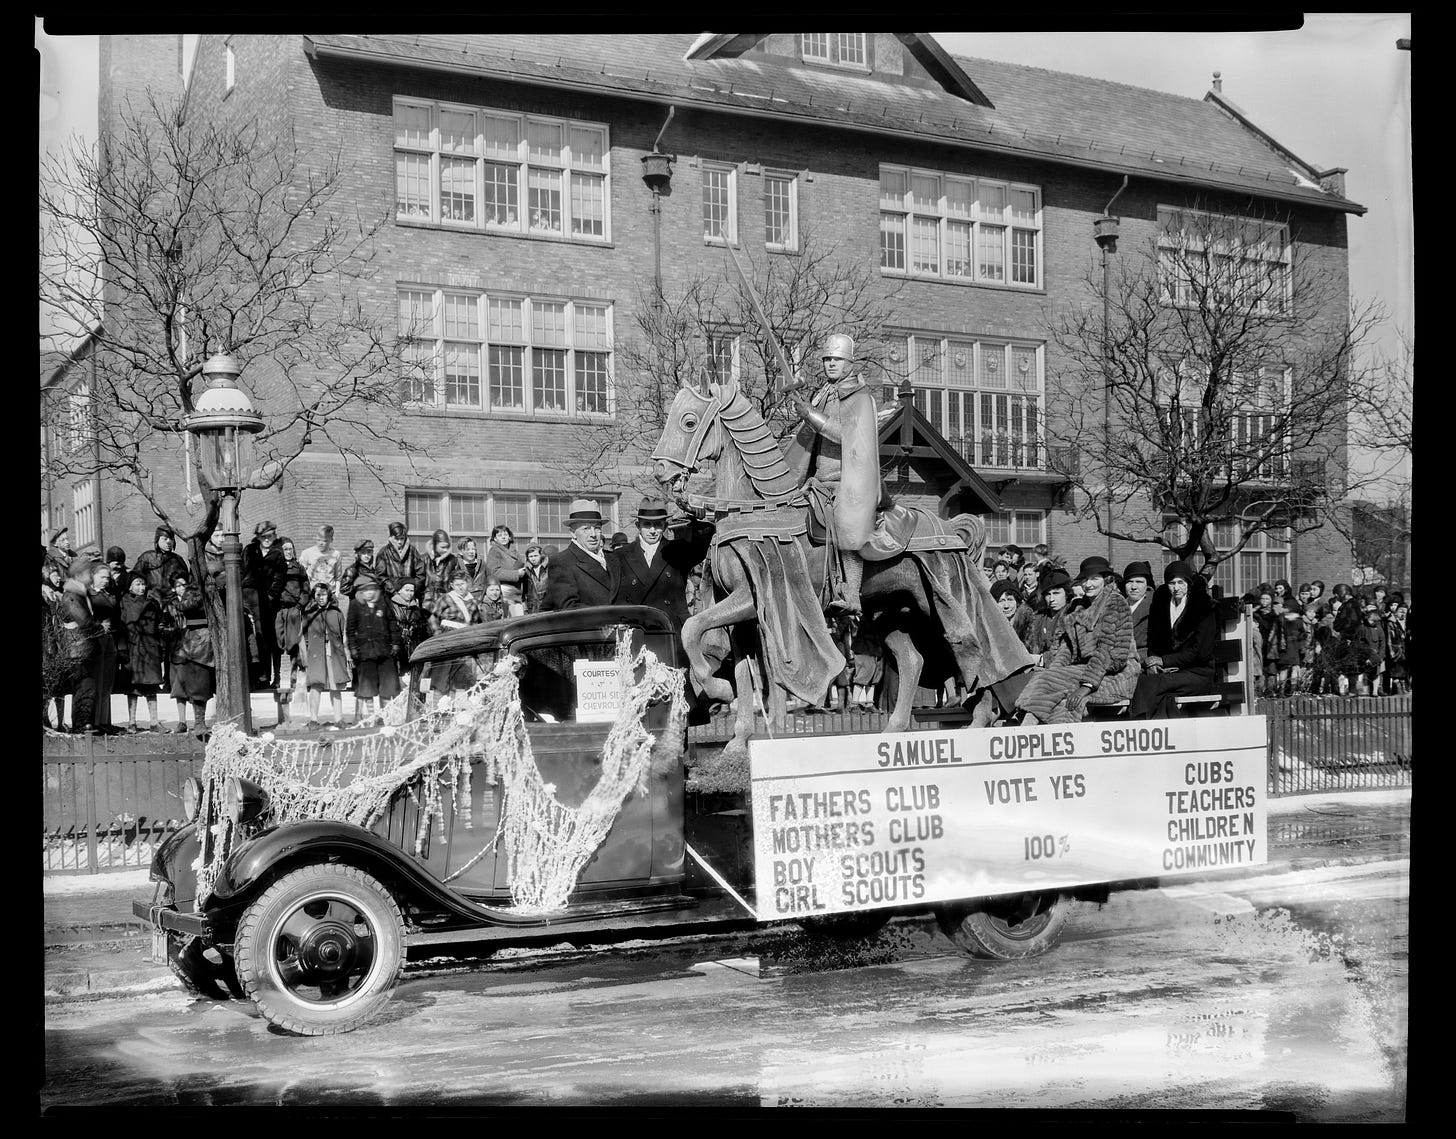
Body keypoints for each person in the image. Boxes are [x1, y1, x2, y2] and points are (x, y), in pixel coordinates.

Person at [782, 331, 880, 615]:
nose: (831, 364)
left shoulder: (860, 397)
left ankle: (851, 593)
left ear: (850, 362)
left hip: (848, 481)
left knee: (846, 522)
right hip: (819, 480)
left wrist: (810, 415)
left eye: (837, 359)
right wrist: (804, 410)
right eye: (827, 359)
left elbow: (848, 436)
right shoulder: (825, 392)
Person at [1015, 556, 1136, 725]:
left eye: (1094, 579)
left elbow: (1108, 651)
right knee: (1046, 681)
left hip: (1115, 673)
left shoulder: (1115, 602)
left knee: (1064, 695)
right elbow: (1067, 649)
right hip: (1087, 669)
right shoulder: (1079, 607)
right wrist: (1054, 670)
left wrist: (1086, 687)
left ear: (1106, 580)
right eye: (1085, 579)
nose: (1088, 584)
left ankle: (1028, 727)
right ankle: (1033, 727)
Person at [1129, 561, 1218, 719]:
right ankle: (1159, 726)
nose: (1176, 588)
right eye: (1172, 583)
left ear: (1188, 584)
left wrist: (1164, 661)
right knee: (1158, 691)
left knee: (1150, 683)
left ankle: (1138, 722)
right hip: (1170, 672)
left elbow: (1200, 652)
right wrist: (1153, 663)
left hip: (1198, 673)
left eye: (1180, 583)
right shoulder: (1162, 606)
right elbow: (1154, 641)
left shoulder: (1203, 607)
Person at [614, 498, 714, 631]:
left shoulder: (678, 550)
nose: (652, 530)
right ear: (638, 526)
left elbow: (699, 549)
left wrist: (698, 520)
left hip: (671, 628)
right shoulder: (621, 555)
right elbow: (617, 596)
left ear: (665, 526)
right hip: (636, 629)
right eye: (647, 524)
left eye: (657, 525)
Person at [542, 500, 620, 610]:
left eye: (597, 528)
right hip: (593, 621)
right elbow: (569, 607)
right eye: (586, 529)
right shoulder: (562, 562)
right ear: (572, 533)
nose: (593, 534)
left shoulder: (613, 558)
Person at [345, 573, 401, 721]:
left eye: (372, 589)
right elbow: (350, 630)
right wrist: (353, 649)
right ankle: (371, 716)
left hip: (384, 650)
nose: (369, 592)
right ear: (361, 592)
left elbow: (393, 624)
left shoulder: (383, 602)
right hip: (364, 652)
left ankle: (384, 715)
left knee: (387, 686)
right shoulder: (355, 605)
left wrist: (395, 643)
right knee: (367, 687)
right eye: (365, 590)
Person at [56, 554, 102, 732]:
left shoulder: (80, 593)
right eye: (89, 572)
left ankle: (83, 723)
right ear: (79, 574)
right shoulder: (72, 595)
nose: (91, 575)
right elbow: (84, 620)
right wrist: (100, 627)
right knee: (84, 687)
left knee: (86, 687)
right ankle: (82, 725)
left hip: (83, 647)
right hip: (78, 648)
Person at [165, 572, 215, 736]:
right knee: (194, 683)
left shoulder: (220, 585)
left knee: (207, 683)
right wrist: (205, 594)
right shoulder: (194, 590)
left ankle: (211, 720)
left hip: (212, 640)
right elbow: (185, 606)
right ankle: (196, 722)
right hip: (194, 643)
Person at [118, 573, 165, 731]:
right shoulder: (124, 602)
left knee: (151, 688)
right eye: (137, 584)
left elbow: (159, 625)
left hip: (150, 650)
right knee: (133, 688)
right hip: (133, 649)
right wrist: (122, 649)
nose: (142, 587)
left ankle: (154, 722)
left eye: (143, 584)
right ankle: (132, 722)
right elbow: (121, 628)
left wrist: (160, 648)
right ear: (130, 587)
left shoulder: (153, 602)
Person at [299, 581, 348, 729]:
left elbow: (342, 634)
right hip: (315, 653)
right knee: (316, 685)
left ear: (329, 595)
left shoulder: (336, 613)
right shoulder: (308, 614)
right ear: (314, 596)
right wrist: (304, 656)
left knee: (335, 686)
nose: (321, 597)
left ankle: (339, 719)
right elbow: (301, 636)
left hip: (333, 652)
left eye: (324, 594)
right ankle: (313, 720)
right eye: (318, 594)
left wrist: (346, 655)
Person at [429, 567, 484, 699]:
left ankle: (458, 705)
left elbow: (478, 623)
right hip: (448, 639)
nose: (460, 587)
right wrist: (439, 637)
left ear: (467, 584)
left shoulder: (473, 601)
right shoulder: (445, 598)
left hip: (466, 641)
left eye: (463, 584)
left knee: (462, 677)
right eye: (457, 584)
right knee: (443, 676)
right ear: (452, 585)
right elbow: (433, 619)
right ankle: (439, 705)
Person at [241, 521, 283, 690]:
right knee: (248, 633)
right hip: (247, 593)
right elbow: (241, 570)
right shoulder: (250, 550)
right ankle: (251, 676)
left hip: (264, 600)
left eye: (270, 536)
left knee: (263, 637)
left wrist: (270, 597)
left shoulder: (277, 554)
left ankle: (264, 676)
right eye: (263, 536)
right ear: (258, 537)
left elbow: (279, 578)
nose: (267, 539)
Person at [88, 562, 122, 733]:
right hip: (95, 638)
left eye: (107, 578)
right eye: (101, 577)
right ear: (92, 576)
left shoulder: (110, 594)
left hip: (110, 639)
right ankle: (94, 722)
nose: (105, 581)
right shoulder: (88, 594)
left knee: (107, 682)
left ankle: (105, 721)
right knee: (97, 681)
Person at [1021, 566, 1072, 665]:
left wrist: (1042, 659)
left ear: (1066, 594)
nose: (1052, 599)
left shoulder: (1072, 617)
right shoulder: (1037, 618)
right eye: (1048, 594)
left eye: (1056, 593)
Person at [132, 526, 190, 602]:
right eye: (164, 539)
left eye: (171, 539)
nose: (168, 542)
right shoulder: (147, 558)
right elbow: (134, 578)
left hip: (172, 601)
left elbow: (186, 581)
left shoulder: (177, 560)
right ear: (157, 540)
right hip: (151, 600)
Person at [376, 521, 425, 599]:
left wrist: (411, 590)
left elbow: (420, 573)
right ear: (391, 537)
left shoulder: (412, 551)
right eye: (396, 539)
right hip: (391, 596)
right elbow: (381, 576)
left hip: (410, 596)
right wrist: (393, 592)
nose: (399, 542)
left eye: (402, 538)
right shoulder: (384, 552)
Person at [484, 525, 527, 613]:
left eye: (505, 534)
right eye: (499, 535)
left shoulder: (514, 551)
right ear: (495, 539)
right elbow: (494, 572)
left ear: (509, 537)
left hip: (517, 593)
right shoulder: (494, 551)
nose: (503, 537)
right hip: (504, 593)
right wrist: (517, 574)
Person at [1122, 561, 1155, 665]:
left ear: (1147, 584)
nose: (1134, 587)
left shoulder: (1155, 606)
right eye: (1130, 582)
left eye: (1139, 582)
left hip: (1141, 661)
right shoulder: (1117, 606)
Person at [298, 524, 343, 599]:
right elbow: (301, 575)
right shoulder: (307, 553)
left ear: (331, 540)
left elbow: (338, 577)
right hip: (312, 593)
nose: (320, 543)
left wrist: (337, 592)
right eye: (318, 540)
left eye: (324, 541)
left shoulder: (336, 554)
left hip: (330, 593)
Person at [422, 529, 461, 615]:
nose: (445, 550)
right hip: (426, 601)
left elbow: (457, 579)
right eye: (442, 547)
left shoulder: (452, 560)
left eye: (447, 547)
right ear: (434, 545)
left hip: (446, 601)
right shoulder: (424, 559)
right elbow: (419, 580)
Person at [521, 542, 549, 613]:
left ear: (541, 555)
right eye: (531, 556)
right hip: (533, 607)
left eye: (535, 556)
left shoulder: (548, 569)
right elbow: (523, 591)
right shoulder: (526, 571)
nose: (533, 559)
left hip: (548, 606)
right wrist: (524, 606)